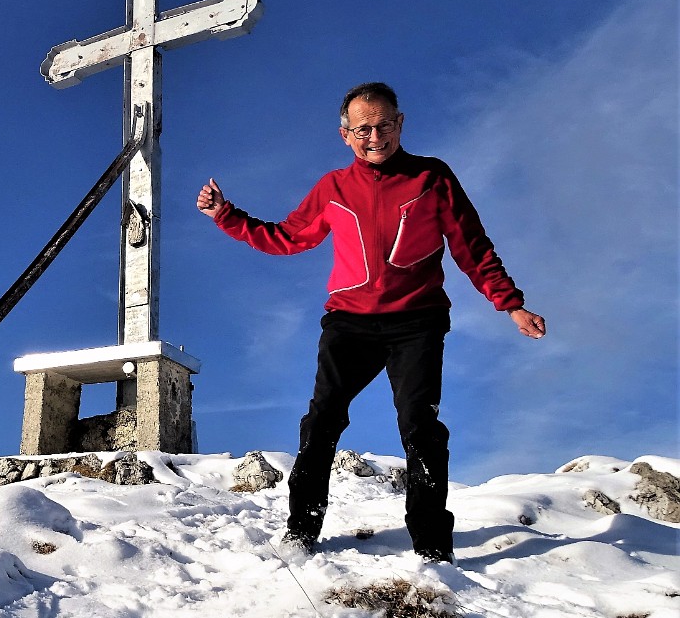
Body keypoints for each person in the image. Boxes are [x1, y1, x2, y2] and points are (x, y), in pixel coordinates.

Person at [196, 82, 546, 563]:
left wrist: (510, 304)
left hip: (417, 322)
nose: (374, 135)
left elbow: (472, 246)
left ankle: (431, 547)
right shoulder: (333, 189)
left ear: (400, 124)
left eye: (383, 125)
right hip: (349, 324)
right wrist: (226, 215)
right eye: (362, 128)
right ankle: (301, 532)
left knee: (419, 427)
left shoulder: (432, 178)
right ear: (345, 135)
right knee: (321, 422)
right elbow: (286, 237)